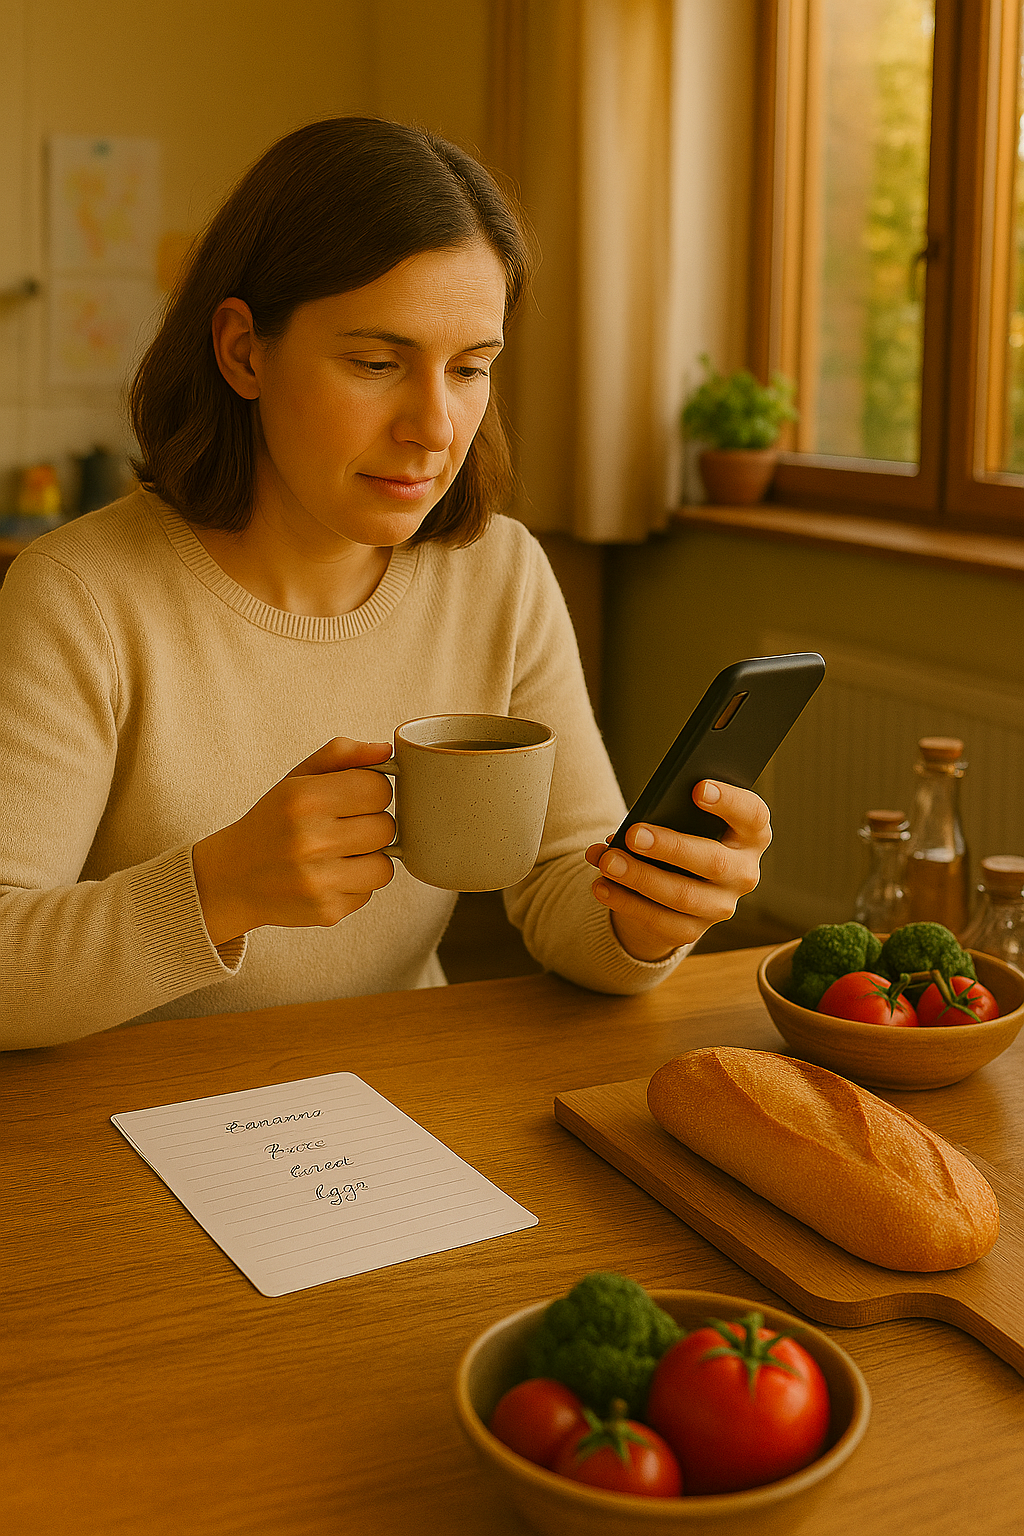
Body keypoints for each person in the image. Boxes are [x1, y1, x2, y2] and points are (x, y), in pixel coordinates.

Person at [0, 117, 771, 1050]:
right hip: (115, 1122)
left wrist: (648, 915)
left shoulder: (500, 574)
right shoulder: (77, 596)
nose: (435, 426)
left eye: (471, 368)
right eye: (377, 363)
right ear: (244, 350)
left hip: (395, 1098)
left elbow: (570, 882)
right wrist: (217, 891)